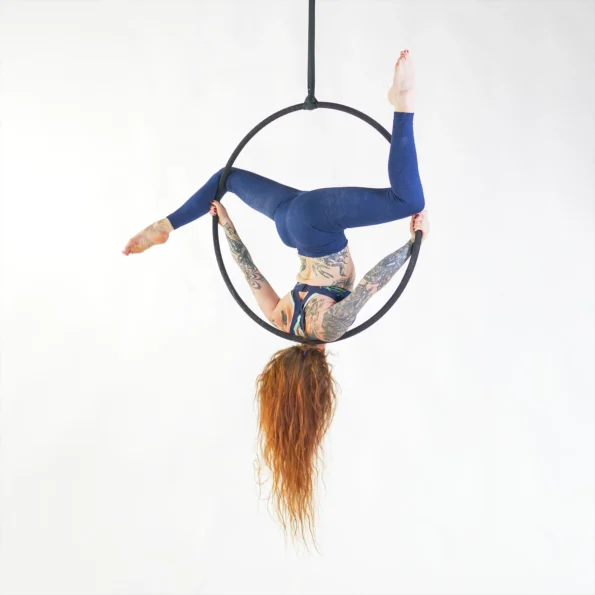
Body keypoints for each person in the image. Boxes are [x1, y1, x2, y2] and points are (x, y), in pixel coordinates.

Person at [123, 49, 430, 544]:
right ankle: (170, 223)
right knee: (227, 182)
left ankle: (404, 102)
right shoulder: (281, 321)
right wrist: (227, 225)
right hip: (288, 223)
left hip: (315, 224)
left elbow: (372, 284)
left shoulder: (327, 328)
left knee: (408, 200)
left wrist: (413, 242)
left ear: (320, 379)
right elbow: (250, 274)